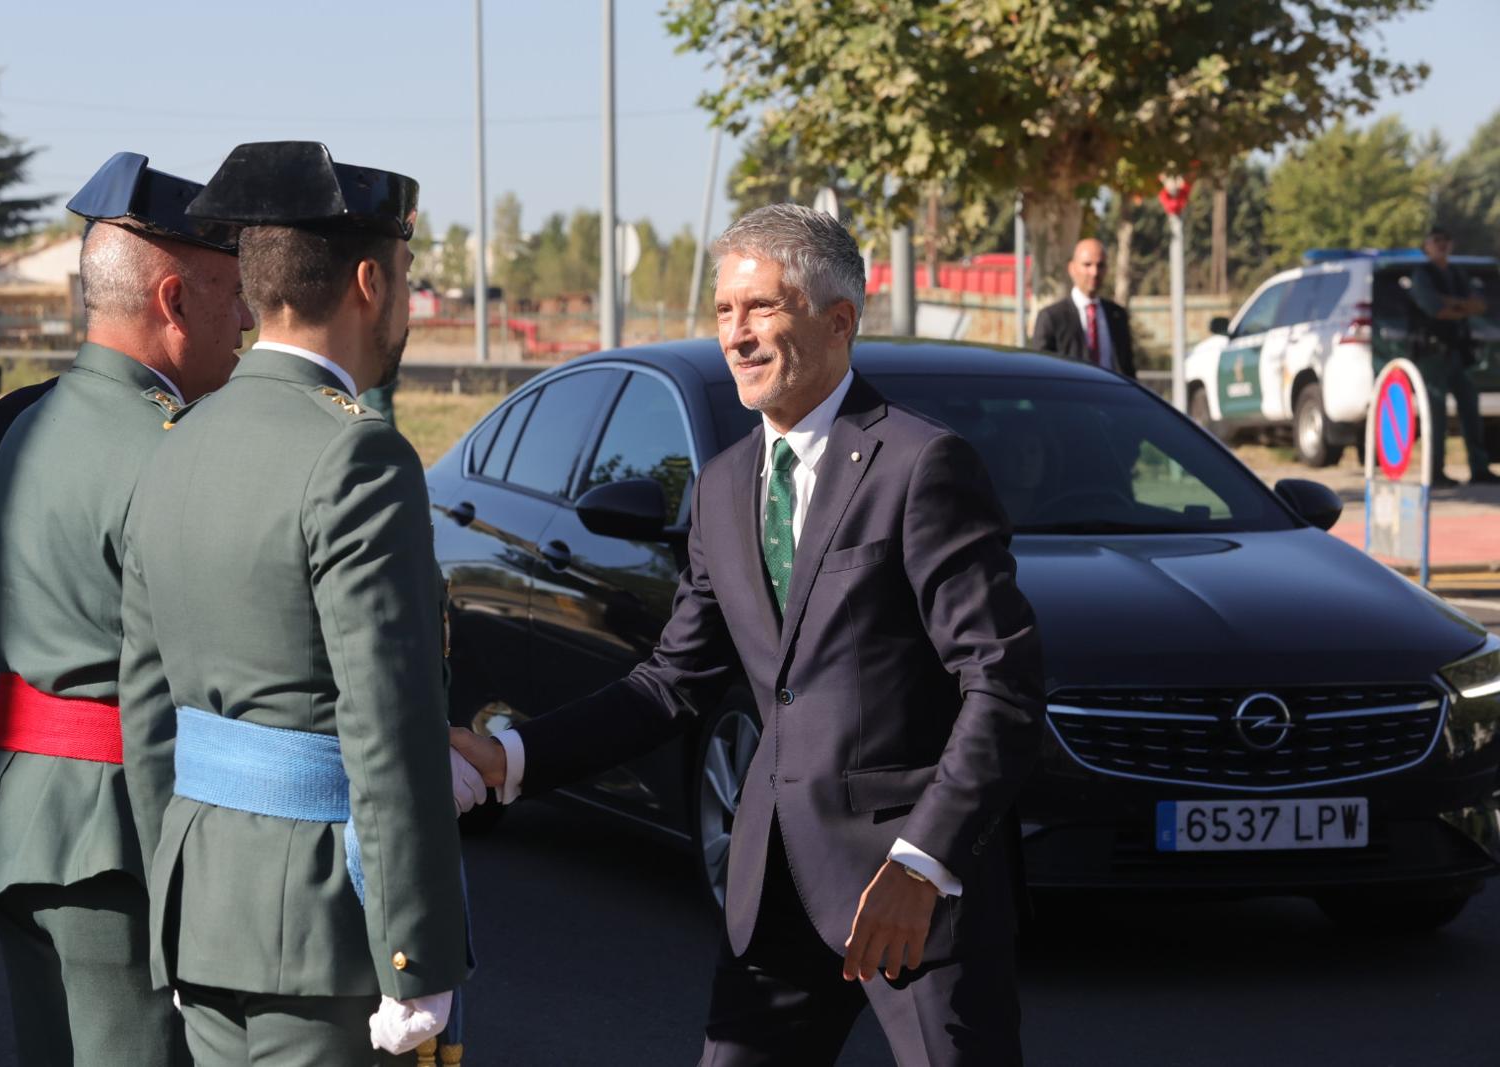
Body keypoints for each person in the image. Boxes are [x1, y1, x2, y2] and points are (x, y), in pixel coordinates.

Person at [454, 204, 1046, 1066]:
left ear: (838, 321)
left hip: (909, 890)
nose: (736, 334)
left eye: (762, 307)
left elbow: (1003, 684)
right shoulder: (725, 485)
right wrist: (510, 756)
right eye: (725, 311)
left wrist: (923, 861)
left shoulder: (922, 466)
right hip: (772, 888)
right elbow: (672, 680)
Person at [118, 141, 477, 1065]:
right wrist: (415, 951)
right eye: (406, 278)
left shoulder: (178, 438)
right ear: (370, 282)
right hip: (325, 928)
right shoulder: (358, 453)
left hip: (203, 905)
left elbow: (149, 709)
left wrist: (175, 904)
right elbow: (387, 720)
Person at [0, 152, 251, 1066]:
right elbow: (227, 676)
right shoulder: (184, 452)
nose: (246, 319)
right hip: (121, 842)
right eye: (233, 292)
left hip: (19, 820)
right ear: (173, 300)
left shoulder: (16, 422)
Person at [1410, 226, 1497, 486]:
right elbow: (1435, 309)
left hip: (1458, 351)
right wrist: (1460, 305)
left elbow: (1479, 305)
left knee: (1471, 409)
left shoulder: (1458, 273)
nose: (1442, 244)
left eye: (1446, 240)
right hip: (1432, 353)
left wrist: (1451, 302)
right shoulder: (1422, 274)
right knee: (1435, 414)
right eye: (1436, 240)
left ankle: (1479, 468)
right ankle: (1434, 471)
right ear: (1426, 246)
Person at [1030, 237, 1137, 379]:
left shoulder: (1117, 315)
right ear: (1072, 268)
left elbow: (1128, 370)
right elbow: (1040, 372)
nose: (1094, 272)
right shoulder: (1052, 318)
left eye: (1100, 265)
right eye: (1087, 265)